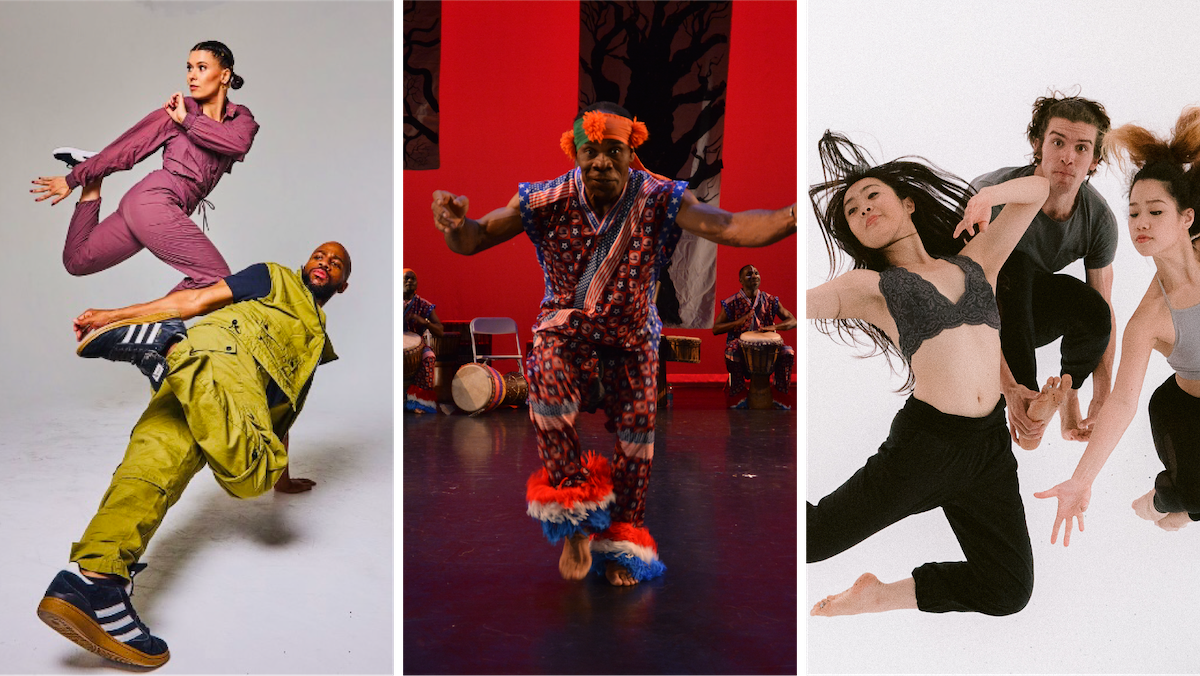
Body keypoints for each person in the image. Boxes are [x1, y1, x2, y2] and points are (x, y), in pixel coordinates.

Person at [431, 102, 797, 586]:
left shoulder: (660, 196)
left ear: (631, 151)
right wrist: (457, 226)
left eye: (613, 151)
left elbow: (726, 225)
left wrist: (793, 215)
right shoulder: (545, 198)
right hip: (567, 331)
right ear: (575, 151)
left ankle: (623, 537)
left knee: (638, 437)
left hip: (632, 337)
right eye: (591, 151)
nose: (601, 161)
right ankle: (575, 522)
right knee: (545, 385)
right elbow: (476, 239)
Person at [36, 242, 350, 667]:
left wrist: (287, 480)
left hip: (192, 382)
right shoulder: (273, 276)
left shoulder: (315, 342)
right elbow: (195, 300)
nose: (324, 263)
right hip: (226, 368)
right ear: (304, 264)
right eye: (319, 256)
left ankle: (94, 581)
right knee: (254, 473)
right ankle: (169, 348)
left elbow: (281, 417)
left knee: (149, 471)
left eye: (336, 264)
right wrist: (114, 316)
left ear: (343, 285)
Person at [805, 131, 1048, 617]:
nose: (863, 210)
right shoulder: (871, 286)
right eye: (852, 212)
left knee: (1008, 590)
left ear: (908, 203)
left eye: (872, 196)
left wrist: (988, 197)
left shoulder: (978, 263)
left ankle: (879, 595)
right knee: (812, 541)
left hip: (988, 452)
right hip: (925, 449)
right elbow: (807, 303)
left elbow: (1039, 190)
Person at [1036, 108, 1200, 545]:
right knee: (1192, 498)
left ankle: (1182, 506)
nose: (1140, 223)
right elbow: (1123, 403)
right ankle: (1162, 503)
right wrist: (1080, 480)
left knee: (1195, 504)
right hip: (1185, 415)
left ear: (1187, 218)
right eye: (1133, 213)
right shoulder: (1146, 322)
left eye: (1155, 211)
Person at [30, 40, 259, 293]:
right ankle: (152, 326)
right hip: (154, 199)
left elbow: (237, 144)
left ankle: (93, 181)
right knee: (216, 280)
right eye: (189, 67)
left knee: (78, 261)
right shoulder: (176, 111)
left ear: (224, 75)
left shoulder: (239, 118)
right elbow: (129, 148)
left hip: (165, 208)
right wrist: (74, 178)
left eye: (201, 67)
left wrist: (187, 120)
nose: (191, 76)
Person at [971, 92, 1118, 449]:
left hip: (1030, 314)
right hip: (980, 310)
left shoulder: (1098, 219)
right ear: (1038, 145)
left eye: (1082, 148)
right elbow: (970, 295)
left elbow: (1102, 310)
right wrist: (1007, 387)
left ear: (1095, 159)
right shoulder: (994, 193)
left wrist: (1103, 393)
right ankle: (1026, 396)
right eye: (1058, 142)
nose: (1068, 157)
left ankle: (1068, 394)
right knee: (1017, 265)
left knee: (1093, 309)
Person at [712, 264, 798, 407]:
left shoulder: (770, 300)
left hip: (769, 346)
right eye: (749, 274)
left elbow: (793, 320)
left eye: (756, 273)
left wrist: (775, 327)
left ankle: (780, 393)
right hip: (740, 345)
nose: (754, 276)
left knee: (787, 352)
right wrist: (738, 322)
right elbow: (716, 329)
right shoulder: (731, 302)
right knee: (731, 352)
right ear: (740, 280)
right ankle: (737, 392)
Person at [401, 267, 443, 413]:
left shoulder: (424, 305)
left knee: (429, 356)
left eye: (413, 278)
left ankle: (419, 402)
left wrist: (424, 322)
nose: (409, 281)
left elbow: (440, 331)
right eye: (406, 278)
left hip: (417, 346)